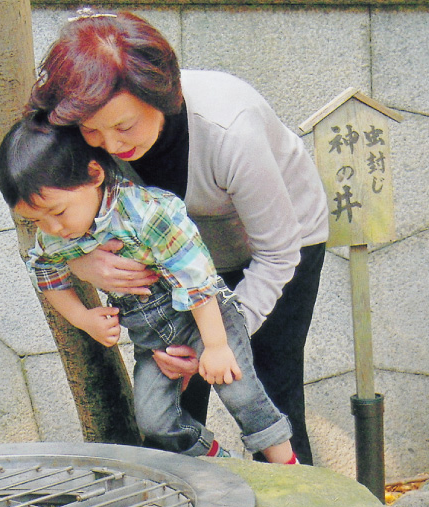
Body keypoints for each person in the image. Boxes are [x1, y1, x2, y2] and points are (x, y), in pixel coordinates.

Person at [26, 9, 328, 464]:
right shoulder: (84, 134)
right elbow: (55, 212)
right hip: (172, 262)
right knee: (171, 404)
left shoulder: (231, 130)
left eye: (125, 126)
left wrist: (216, 339)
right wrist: (78, 261)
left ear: (165, 94)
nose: (110, 145)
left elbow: (278, 253)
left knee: (265, 386)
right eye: (92, 132)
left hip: (270, 250)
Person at [0, 113, 299, 464]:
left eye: (58, 212)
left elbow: (196, 276)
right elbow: (43, 269)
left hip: (204, 316)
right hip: (153, 340)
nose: (51, 227)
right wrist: (83, 318)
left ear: (95, 175)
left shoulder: (146, 213)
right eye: (36, 220)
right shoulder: (57, 235)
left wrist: (215, 346)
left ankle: (289, 469)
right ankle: (220, 462)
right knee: (153, 419)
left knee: (239, 391)